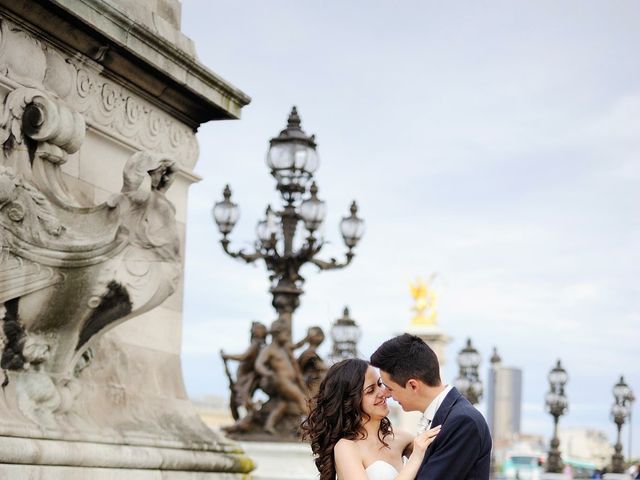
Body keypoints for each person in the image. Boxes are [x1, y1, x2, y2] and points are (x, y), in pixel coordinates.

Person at [370, 334, 492, 479]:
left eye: (389, 388)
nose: (386, 394)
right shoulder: (447, 416)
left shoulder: (463, 422)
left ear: (413, 385)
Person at [301, 358, 441, 480]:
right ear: (350, 401)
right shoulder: (347, 447)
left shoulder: (402, 438)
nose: (383, 393)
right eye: (370, 390)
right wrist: (416, 457)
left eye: (380, 384)